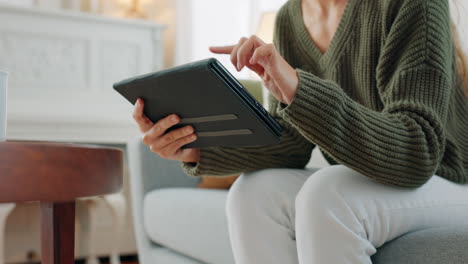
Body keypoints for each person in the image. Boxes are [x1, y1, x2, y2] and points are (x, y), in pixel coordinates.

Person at [132, 0, 468, 262]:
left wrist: (298, 91)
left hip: (450, 182)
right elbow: (293, 144)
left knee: (328, 193)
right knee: (254, 193)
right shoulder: (290, 19)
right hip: (376, 182)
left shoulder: (413, 4)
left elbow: (417, 151)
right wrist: (196, 149)